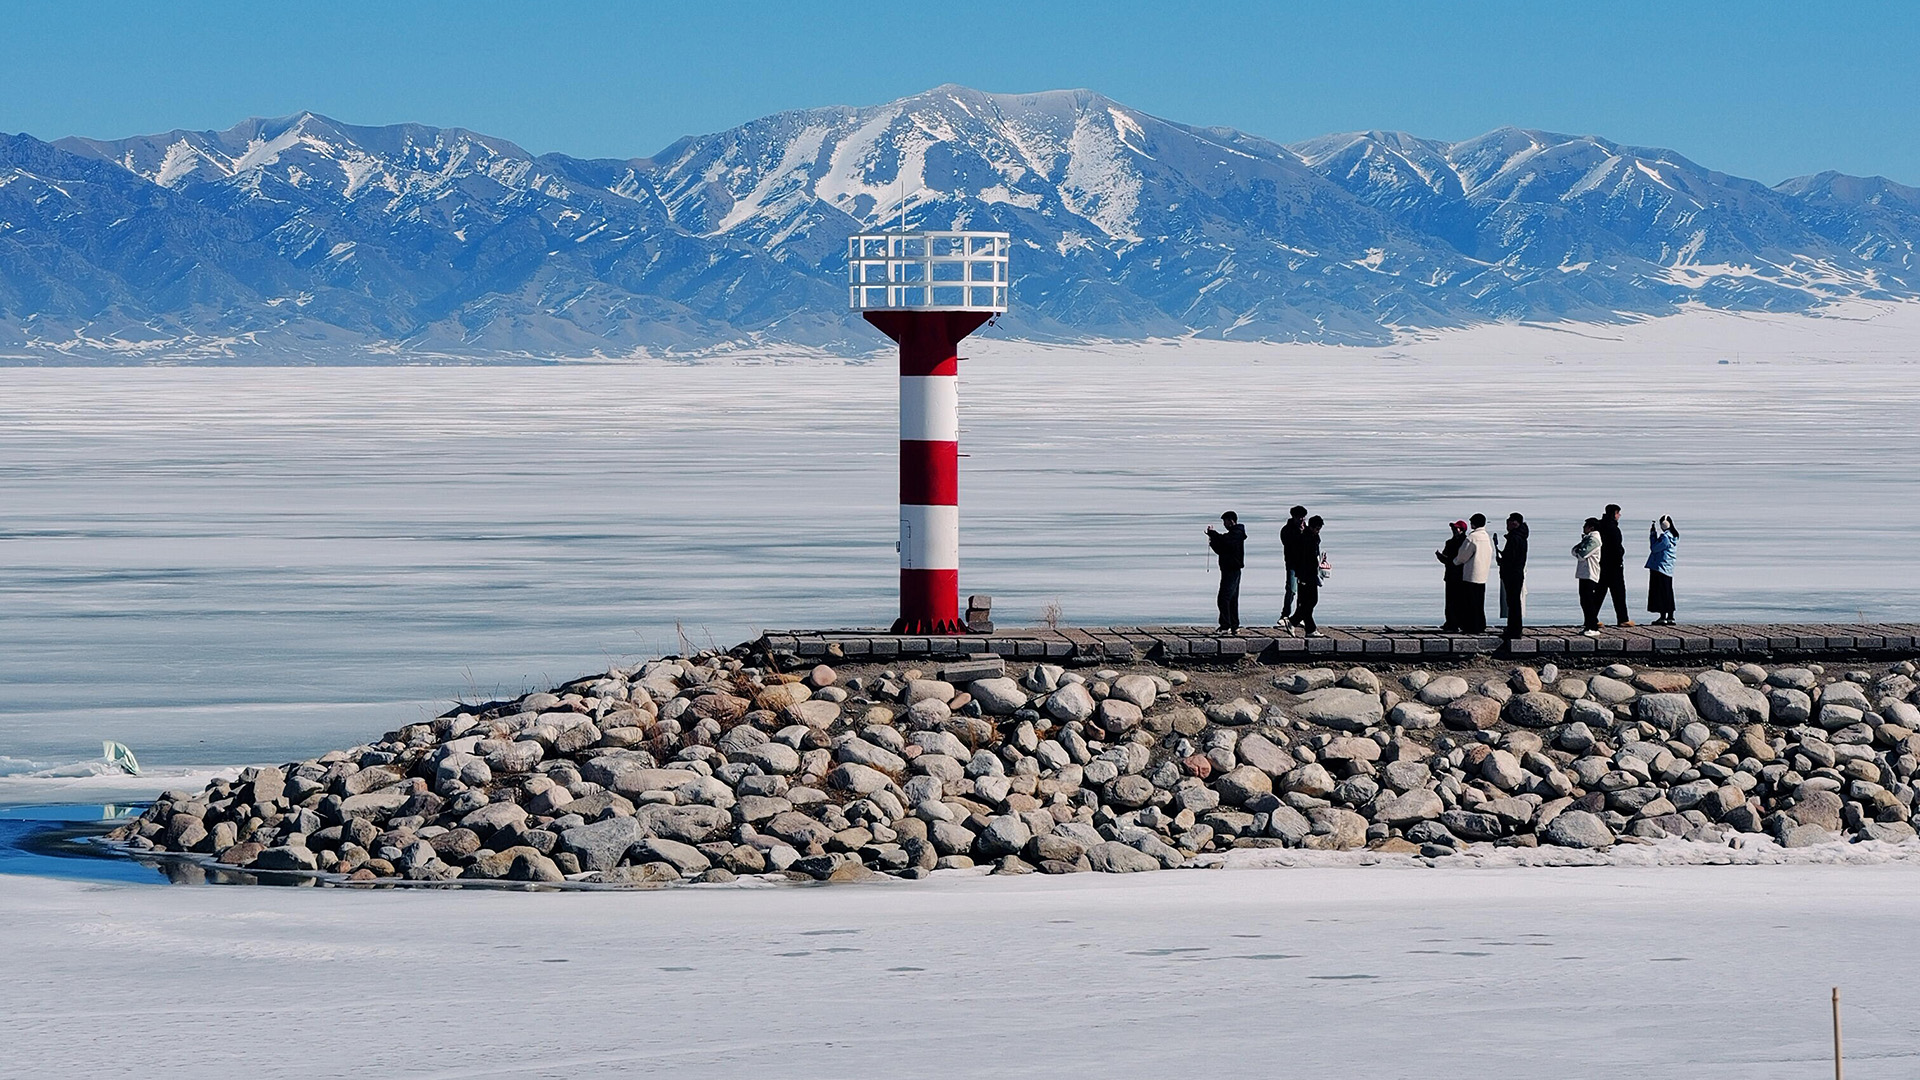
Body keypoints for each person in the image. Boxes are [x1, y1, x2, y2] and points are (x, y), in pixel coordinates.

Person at [1205, 511, 1246, 634]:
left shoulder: (1237, 533)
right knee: (1232, 599)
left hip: (1232, 570)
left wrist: (1213, 534)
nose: (1224, 524)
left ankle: (1225, 626)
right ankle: (1234, 626)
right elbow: (1221, 548)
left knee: (1223, 598)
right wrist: (1212, 539)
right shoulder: (1233, 535)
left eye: (1225, 521)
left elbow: (1226, 541)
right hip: (1228, 569)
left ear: (1231, 521)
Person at [1452, 513, 1494, 633]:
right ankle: (1480, 625)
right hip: (1483, 574)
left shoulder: (1472, 538)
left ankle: (1470, 626)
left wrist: (1455, 561)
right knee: (1479, 603)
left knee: (1469, 602)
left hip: (1471, 574)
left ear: (1473, 523)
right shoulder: (1486, 536)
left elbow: (1463, 556)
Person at [1598, 503, 1632, 626]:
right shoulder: (1613, 528)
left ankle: (1591, 618)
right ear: (1614, 514)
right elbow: (1616, 548)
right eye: (1618, 513)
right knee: (1619, 593)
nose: (1619, 515)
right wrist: (1620, 560)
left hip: (1601, 564)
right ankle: (1623, 619)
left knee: (1599, 592)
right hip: (1614, 566)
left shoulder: (1600, 526)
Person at [1291, 514, 1325, 637]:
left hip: (1312, 574)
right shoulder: (1305, 539)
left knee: (1309, 602)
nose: (1318, 531)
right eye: (1317, 528)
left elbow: (1314, 556)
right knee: (1310, 601)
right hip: (1306, 575)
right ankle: (1295, 622)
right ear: (1311, 527)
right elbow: (1304, 558)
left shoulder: (1313, 538)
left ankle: (1305, 627)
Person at [1497, 512, 1529, 639]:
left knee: (1513, 602)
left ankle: (1514, 629)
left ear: (1515, 523)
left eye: (1508, 523)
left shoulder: (1515, 538)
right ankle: (1514, 628)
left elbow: (1512, 558)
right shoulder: (1520, 537)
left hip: (1512, 574)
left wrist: (1503, 560)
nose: (1507, 526)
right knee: (1513, 601)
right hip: (1516, 573)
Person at [1646, 516, 1680, 625]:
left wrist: (1652, 535)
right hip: (1668, 568)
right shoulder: (1674, 536)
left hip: (1659, 567)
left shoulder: (1665, 537)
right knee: (1668, 591)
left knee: (1660, 593)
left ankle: (1663, 616)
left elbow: (1654, 548)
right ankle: (1670, 616)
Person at [1573, 517, 1604, 635]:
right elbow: (1574, 550)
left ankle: (1593, 626)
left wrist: (1578, 551)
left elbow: (1581, 553)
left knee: (1588, 601)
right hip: (1584, 574)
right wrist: (1578, 550)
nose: (1583, 528)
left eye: (1585, 526)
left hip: (1590, 573)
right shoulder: (1587, 538)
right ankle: (1588, 624)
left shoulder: (1594, 539)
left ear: (1591, 527)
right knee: (1584, 601)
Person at [1435, 521, 1467, 631]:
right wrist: (1441, 557)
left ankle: (1459, 622)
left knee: (1461, 600)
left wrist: (1446, 559)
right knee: (1450, 601)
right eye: (1453, 528)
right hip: (1451, 574)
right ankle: (1451, 622)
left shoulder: (1466, 542)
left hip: (1461, 575)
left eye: (1456, 528)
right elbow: (1446, 558)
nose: (1453, 530)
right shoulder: (1449, 542)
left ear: (1462, 530)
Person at [1279, 505, 1308, 622]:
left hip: (1304, 565)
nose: (1301, 519)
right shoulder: (1286, 530)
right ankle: (1285, 615)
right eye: (1299, 517)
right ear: (1293, 517)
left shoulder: (1307, 529)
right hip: (1292, 563)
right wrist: (1301, 533)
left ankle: (1299, 616)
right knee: (1291, 589)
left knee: (1303, 591)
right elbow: (1291, 544)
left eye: (1303, 517)